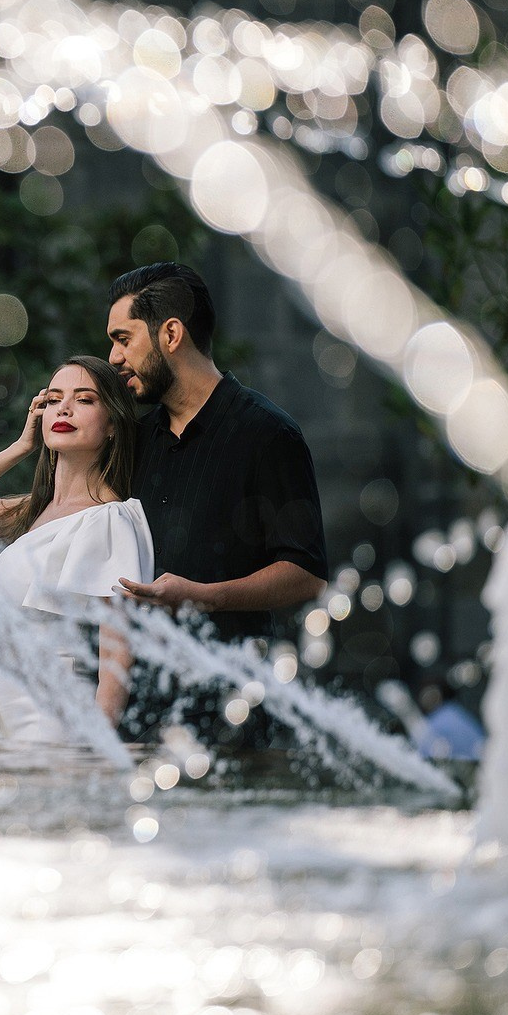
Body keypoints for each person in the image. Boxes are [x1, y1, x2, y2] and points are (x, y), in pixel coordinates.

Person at [104, 262, 328, 742]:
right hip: (138, 708)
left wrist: (202, 597)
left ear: (170, 334)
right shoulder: (135, 440)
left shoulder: (268, 434)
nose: (114, 356)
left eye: (124, 339)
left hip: (231, 711)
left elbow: (307, 574)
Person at [0, 357, 150, 743]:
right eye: (54, 399)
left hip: (49, 706)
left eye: (85, 400)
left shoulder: (111, 520)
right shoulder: (28, 510)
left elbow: (116, 656)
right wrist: (19, 448)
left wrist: (95, 747)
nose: (64, 408)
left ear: (112, 424)